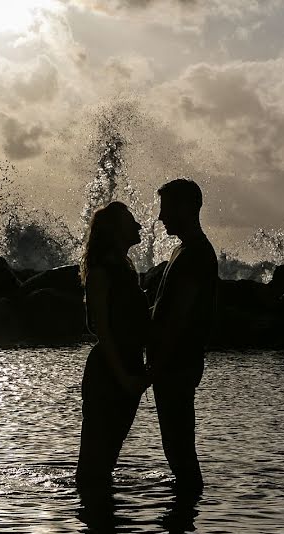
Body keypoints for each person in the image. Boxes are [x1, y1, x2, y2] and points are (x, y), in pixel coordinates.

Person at [148, 179, 218, 496]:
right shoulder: (183, 250)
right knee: (175, 444)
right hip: (174, 362)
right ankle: (183, 514)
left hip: (177, 363)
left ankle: (186, 513)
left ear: (186, 208)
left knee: (178, 447)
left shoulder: (196, 254)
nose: (161, 217)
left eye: (166, 209)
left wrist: (156, 365)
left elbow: (179, 317)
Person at [76, 201, 150, 495]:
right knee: (95, 463)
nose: (139, 225)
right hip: (109, 373)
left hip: (126, 366)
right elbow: (102, 330)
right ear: (117, 231)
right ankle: (94, 529)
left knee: (106, 461)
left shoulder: (123, 269)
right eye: (131, 221)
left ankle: (104, 528)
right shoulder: (102, 272)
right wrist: (125, 378)